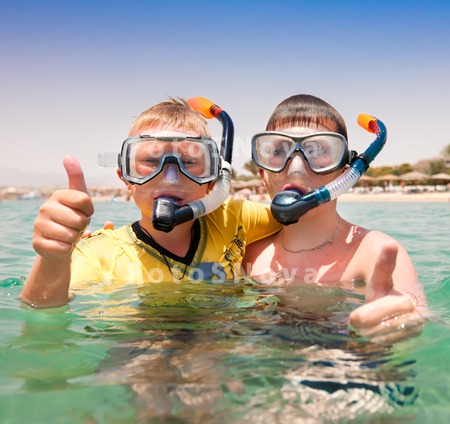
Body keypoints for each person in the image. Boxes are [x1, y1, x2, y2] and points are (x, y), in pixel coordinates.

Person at [20, 98, 281, 308]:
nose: (170, 178)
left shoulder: (234, 219)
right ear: (126, 177)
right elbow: (43, 310)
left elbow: (298, 215)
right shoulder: (100, 254)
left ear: (213, 180)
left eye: (189, 162)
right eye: (150, 162)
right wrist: (53, 258)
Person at [244, 94, 428, 344]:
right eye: (278, 151)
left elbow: (416, 312)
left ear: (346, 175)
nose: (296, 167)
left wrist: (402, 320)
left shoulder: (375, 254)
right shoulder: (248, 254)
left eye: (318, 150)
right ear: (263, 174)